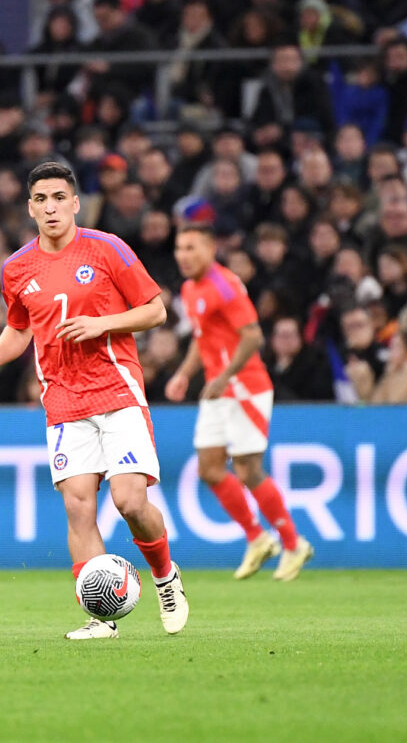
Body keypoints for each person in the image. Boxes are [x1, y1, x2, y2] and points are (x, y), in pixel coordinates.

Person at [0, 162, 188, 640]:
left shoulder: (108, 249)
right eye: (41, 199)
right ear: (30, 207)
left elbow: (156, 310)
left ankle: (166, 578)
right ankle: (101, 618)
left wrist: (101, 324)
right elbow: (21, 327)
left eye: (59, 198)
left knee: (129, 500)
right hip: (62, 399)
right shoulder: (17, 268)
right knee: (79, 510)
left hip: (116, 389)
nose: (50, 207)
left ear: (75, 203)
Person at [165, 225, 314, 581]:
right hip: (218, 390)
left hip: (246, 386)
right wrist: (184, 374)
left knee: (247, 469)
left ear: (211, 248)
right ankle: (257, 536)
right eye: (179, 248)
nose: (183, 255)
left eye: (191, 247)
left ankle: (294, 544)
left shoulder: (225, 285)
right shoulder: (189, 289)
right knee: (209, 469)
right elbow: (202, 339)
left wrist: (224, 376)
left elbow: (253, 337)